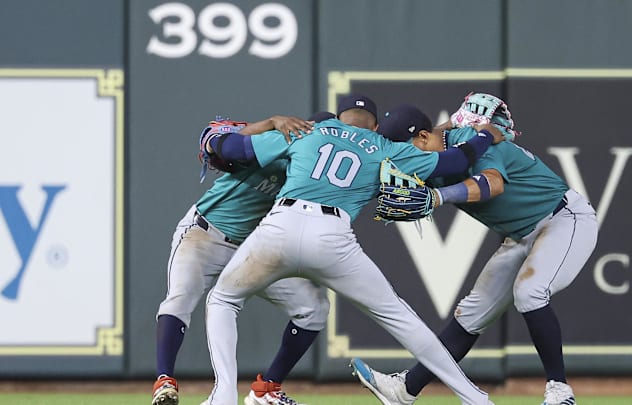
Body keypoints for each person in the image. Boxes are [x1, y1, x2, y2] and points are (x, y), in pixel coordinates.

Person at [198, 94, 505, 405]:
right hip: (332, 237)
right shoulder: (386, 147)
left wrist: (219, 138)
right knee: (399, 317)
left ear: (339, 116)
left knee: (224, 299)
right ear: (375, 125)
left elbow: (233, 149)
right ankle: (475, 399)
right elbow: (458, 160)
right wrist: (484, 135)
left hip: (280, 226)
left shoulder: (309, 129)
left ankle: (223, 395)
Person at [350, 99, 599, 405]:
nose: (403, 160)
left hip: (563, 219)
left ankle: (559, 389)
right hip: (519, 235)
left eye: (407, 148)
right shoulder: (433, 148)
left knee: (530, 291)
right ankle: (405, 390)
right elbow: (432, 144)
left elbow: (492, 185)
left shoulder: (471, 140)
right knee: (470, 315)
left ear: (424, 138)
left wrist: (439, 196)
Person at [152, 113, 336, 405]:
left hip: (254, 249)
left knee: (313, 306)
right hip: (206, 233)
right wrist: (271, 123)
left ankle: (268, 390)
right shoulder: (274, 142)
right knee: (180, 298)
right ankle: (165, 381)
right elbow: (214, 140)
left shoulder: (319, 176)